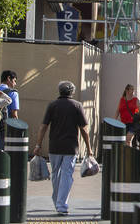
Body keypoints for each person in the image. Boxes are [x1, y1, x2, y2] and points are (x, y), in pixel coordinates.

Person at [32, 81, 94, 216]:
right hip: (71, 147)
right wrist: (89, 148)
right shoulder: (77, 105)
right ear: (72, 92)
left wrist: (38, 144)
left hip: (54, 145)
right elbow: (84, 129)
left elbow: (43, 126)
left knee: (55, 174)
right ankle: (61, 205)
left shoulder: (52, 105)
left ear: (59, 91)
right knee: (67, 175)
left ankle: (58, 201)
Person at [0, 70, 20, 148]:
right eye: (14, 81)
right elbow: (14, 115)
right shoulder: (13, 93)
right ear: (9, 78)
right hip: (5, 128)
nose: (15, 84)